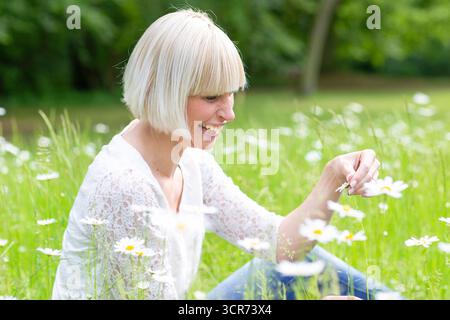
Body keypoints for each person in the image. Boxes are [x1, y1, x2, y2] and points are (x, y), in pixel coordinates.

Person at [52, 8, 393, 300]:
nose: (229, 114)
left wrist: (334, 177)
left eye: (231, 96)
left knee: (295, 265)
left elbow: (280, 246)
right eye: (212, 98)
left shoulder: (192, 161)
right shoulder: (126, 186)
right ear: (163, 91)